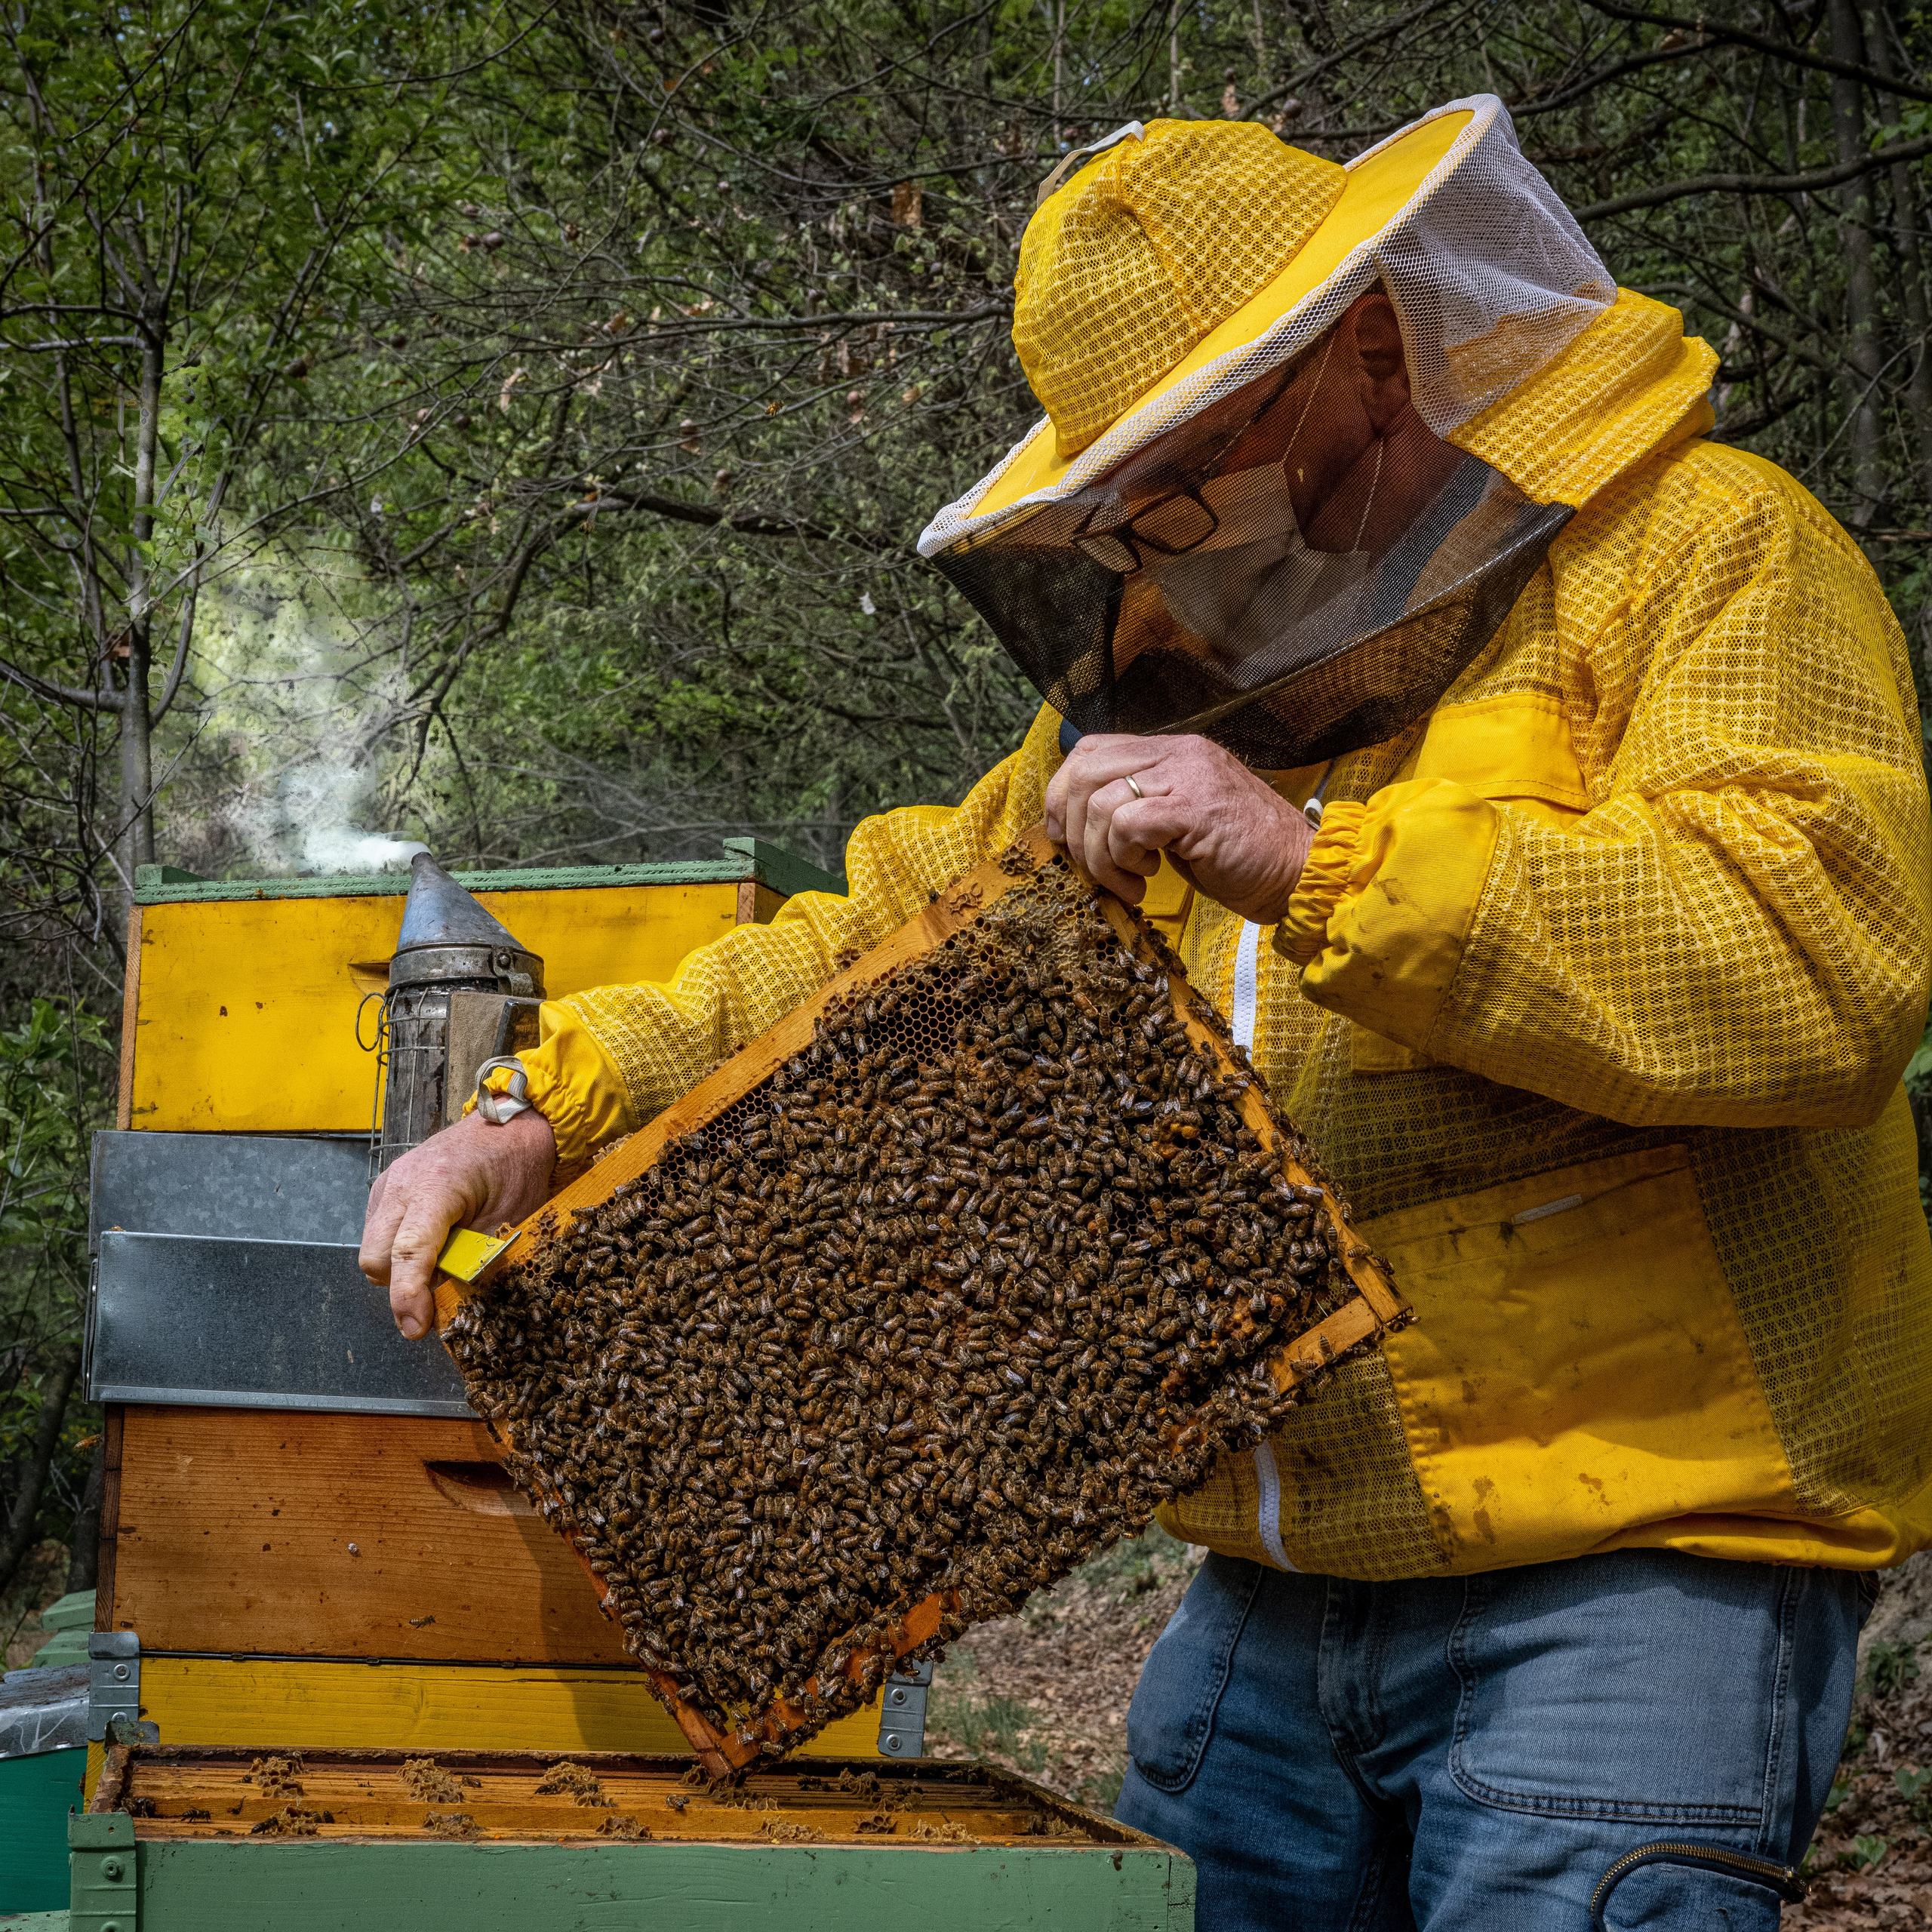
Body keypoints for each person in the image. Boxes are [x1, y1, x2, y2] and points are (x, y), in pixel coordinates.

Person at [361, 95, 1932, 1928]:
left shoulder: (1699, 553)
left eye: (1191, 458)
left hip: (1637, 1568)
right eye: (1120, 491)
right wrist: (546, 1106)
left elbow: (1822, 958)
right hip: (1273, 1583)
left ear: (1368, 346)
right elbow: (882, 942)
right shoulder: (1174, 674)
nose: (1155, 532)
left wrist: (1312, 862)